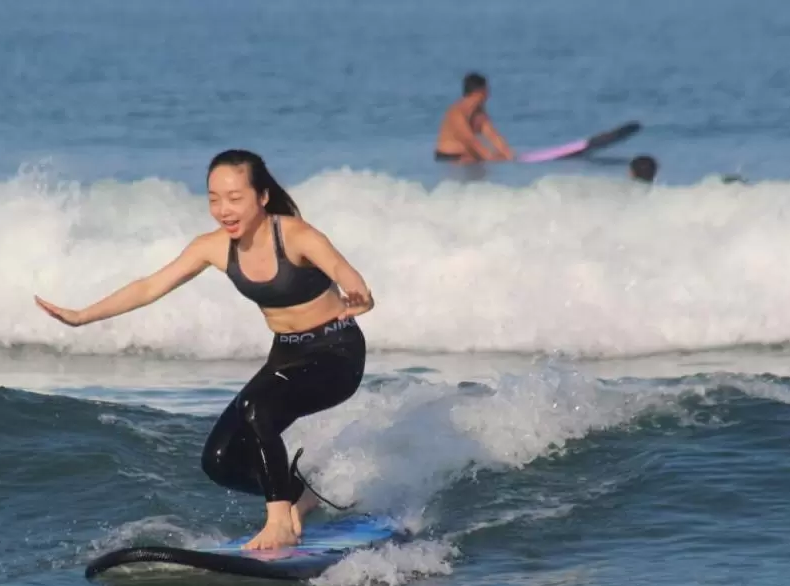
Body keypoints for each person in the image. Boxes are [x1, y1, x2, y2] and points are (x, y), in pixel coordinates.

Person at [34, 149, 375, 550]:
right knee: (219, 460)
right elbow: (149, 286)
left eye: (234, 198)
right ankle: (300, 496)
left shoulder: (296, 236)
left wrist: (359, 294)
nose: (223, 209)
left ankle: (279, 520)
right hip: (286, 355)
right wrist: (83, 316)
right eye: (214, 199)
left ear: (261, 197)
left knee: (257, 411)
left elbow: (343, 271)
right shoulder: (213, 247)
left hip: (336, 353)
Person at [434, 73, 515, 163]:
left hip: (467, 157)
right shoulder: (456, 112)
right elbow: (469, 140)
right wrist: (489, 157)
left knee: (491, 164)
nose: (489, 95)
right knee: (483, 162)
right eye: (487, 90)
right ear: (482, 92)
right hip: (448, 158)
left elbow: (493, 135)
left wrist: (509, 154)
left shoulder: (479, 113)